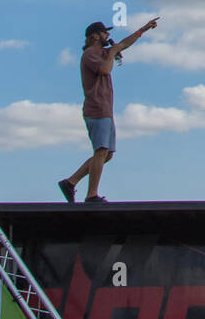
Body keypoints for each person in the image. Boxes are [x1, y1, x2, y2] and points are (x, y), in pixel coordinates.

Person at [58, 17, 159, 203]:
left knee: (108, 154)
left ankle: (70, 182)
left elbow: (123, 44)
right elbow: (105, 71)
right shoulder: (90, 54)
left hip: (105, 109)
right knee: (101, 150)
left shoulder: (105, 52)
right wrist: (112, 52)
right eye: (105, 32)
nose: (108, 35)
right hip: (96, 108)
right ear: (95, 36)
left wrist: (142, 30)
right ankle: (91, 195)